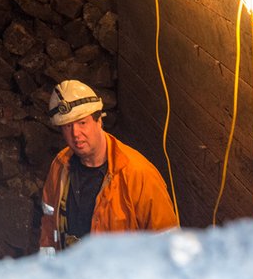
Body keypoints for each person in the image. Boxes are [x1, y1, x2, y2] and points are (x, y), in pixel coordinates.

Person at [38, 80, 177, 250]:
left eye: (82, 123)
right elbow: (49, 219)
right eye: (67, 126)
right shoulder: (60, 165)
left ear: (99, 121)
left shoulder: (138, 174)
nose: (76, 134)